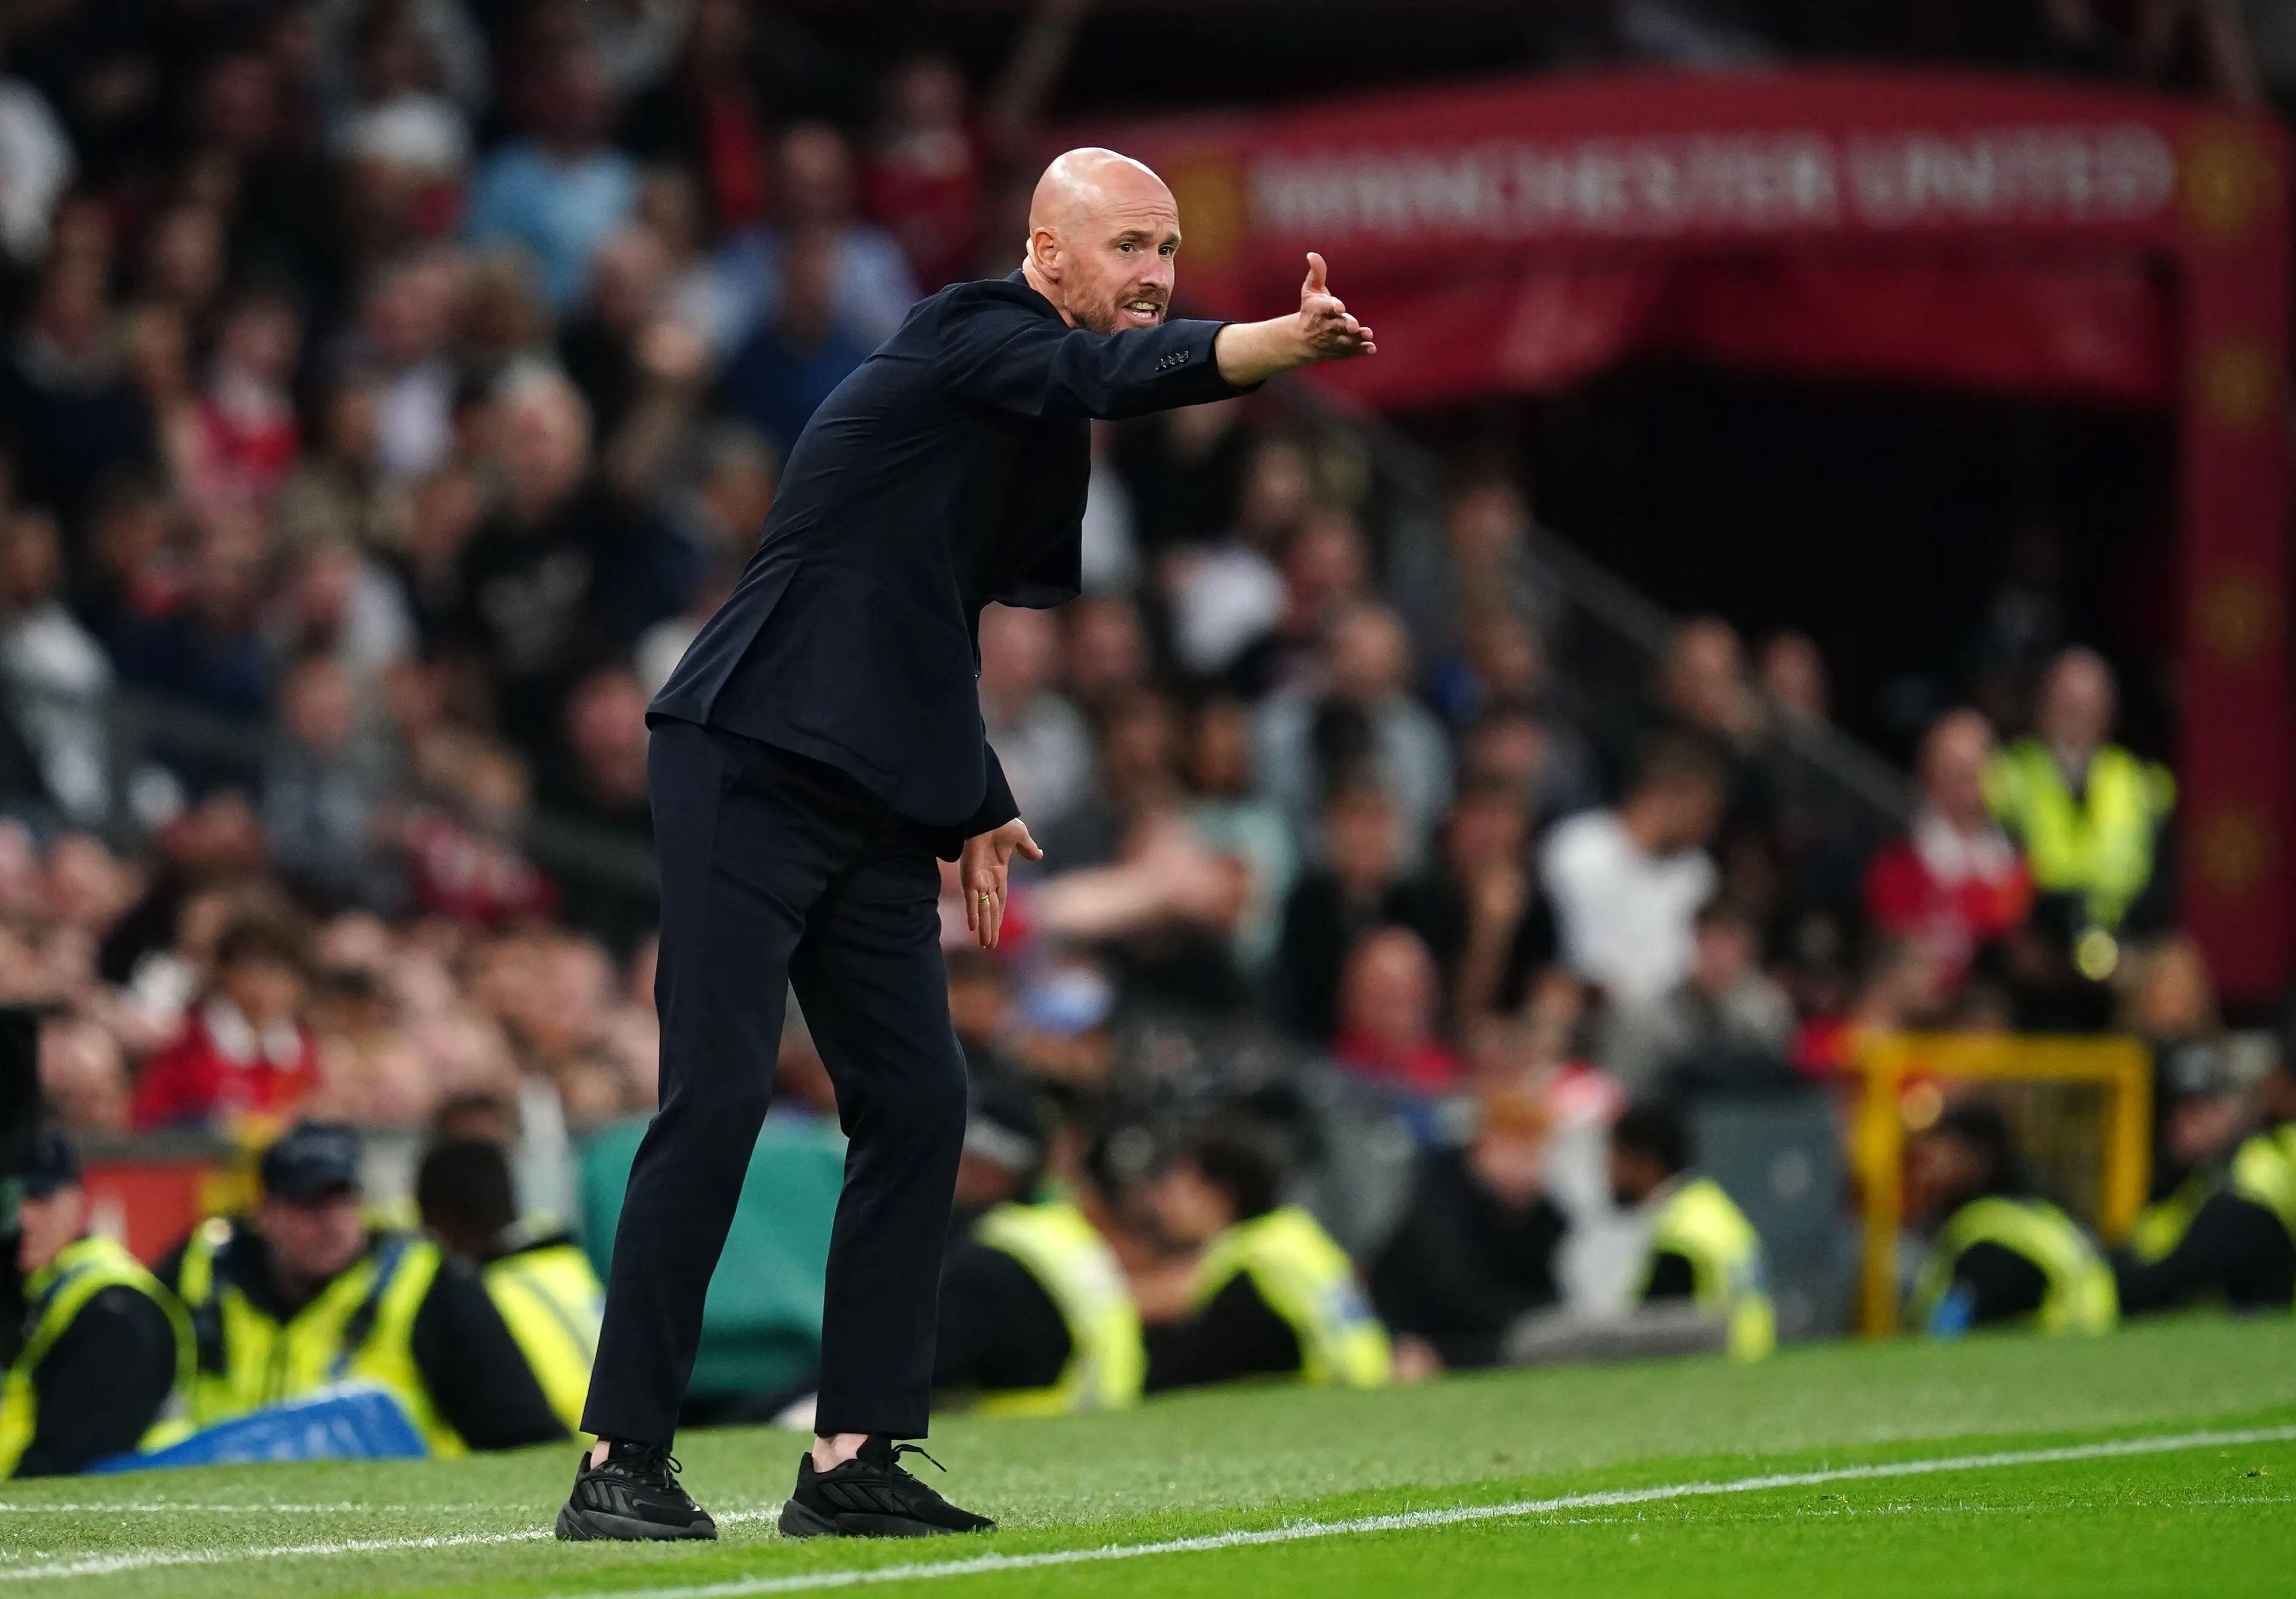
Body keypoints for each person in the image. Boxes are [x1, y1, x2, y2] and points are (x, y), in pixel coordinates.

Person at [562, 146, 1376, 1543]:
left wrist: (973, 790)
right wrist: (1269, 347)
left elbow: (921, 604)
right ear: (1047, 255)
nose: (1157, 275)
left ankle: (851, 1460)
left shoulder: (1025, 412)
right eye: (1130, 246)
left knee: (923, 1103)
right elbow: (1105, 380)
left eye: (1170, 250)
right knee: (714, 1097)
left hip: (873, 792)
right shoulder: (969, 332)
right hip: (748, 756)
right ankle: (617, 1462)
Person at [157, 1121, 567, 1454]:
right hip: (214, 1495)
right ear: (266, 1213)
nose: (333, 1223)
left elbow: (526, 1436)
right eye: (310, 1204)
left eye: (345, 1200)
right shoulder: (199, 1271)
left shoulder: (425, 1283)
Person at [935, 1073, 1143, 1416]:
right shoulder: (1059, 1232)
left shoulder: (990, 1262)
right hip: (1103, 1422)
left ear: (983, 1167)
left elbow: (905, 1375)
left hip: (1033, 1434)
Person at [1138, 1124, 1391, 1393]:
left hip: (1325, 1389)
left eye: (1177, 1186)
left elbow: (1169, 1296)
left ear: (1220, 1194)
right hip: (1367, 1379)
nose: (1161, 1200)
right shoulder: (1296, 1234)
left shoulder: (1250, 1257)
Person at [0, 1129, 189, 1477]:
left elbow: (67, 1464)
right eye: (9, 1201)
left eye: (40, 1198)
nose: (23, 1218)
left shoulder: (113, 1308)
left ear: (78, 1202)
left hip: (129, 1515)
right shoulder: (26, 1289)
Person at [1984, 647, 2175, 975]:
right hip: (2034, 944)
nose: (2076, 713)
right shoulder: (2005, 776)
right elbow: (1993, 865)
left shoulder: (2141, 781)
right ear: (2042, 706)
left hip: (2121, 944)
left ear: (2109, 710)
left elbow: (2162, 876)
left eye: (2087, 703)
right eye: (2065, 701)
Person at [1370, 1086, 1570, 1371]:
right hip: (1408, 1337)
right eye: (1520, 1151)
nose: (1530, 1169)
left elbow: (1548, 1293)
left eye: (1537, 1154)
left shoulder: (1543, 1216)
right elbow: (1455, 1295)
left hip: (1479, 1341)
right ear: (1484, 1145)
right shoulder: (1438, 1203)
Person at [416, 1137, 604, 1438]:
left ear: (440, 1220)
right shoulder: (567, 1262)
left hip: (569, 1452)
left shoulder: (479, 1297)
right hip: (632, 1441)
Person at [1539, 735, 1726, 1008]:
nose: (1710, 827)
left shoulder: (1699, 872)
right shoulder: (1579, 848)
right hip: (1591, 1004)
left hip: (1678, 1010)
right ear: (1670, 797)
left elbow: (1693, 961)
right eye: (1704, 811)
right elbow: (1578, 955)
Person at [1905, 1102, 2117, 1337]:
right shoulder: (2035, 1213)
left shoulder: (1990, 1238)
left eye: (1933, 1159)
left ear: (1974, 1159)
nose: (1924, 1174)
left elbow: (1949, 1330)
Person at [2118, 1057, 2296, 1314]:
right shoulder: (2175, 1181)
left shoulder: (2257, 1162)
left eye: (2200, 1110)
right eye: (2176, 1111)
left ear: (2233, 1110)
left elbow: (2172, 1275)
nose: (2185, 1125)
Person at [1605, 1100, 1775, 1362]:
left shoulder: (1680, 1235)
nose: (1606, 1171)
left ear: (1645, 1164)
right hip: (1752, 1358)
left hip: (1717, 1365)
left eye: (1614, 1157)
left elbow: (1650, 1334)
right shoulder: (1712, 1208)